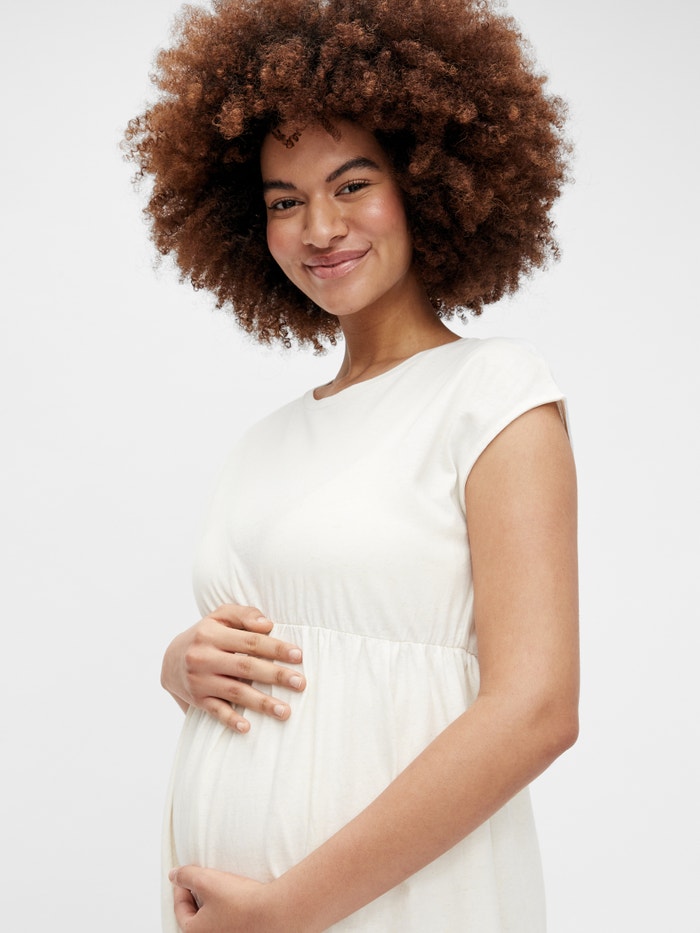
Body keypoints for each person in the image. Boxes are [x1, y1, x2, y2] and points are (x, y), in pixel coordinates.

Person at [125, 0, 579, 929]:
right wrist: (183, 665)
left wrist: (286, 908)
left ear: (426, 183)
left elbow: (536, 709)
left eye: (352, 183)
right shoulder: (266, 440)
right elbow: (295, 665)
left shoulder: (493, 394)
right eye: (284, 201)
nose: (319, 227)